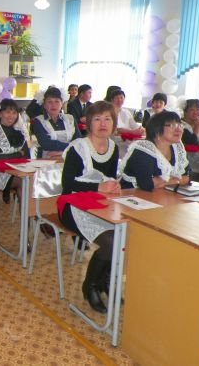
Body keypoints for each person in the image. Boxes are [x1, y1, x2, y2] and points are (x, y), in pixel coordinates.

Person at [60, 101, 121, 312]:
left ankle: (104, 280)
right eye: (97, 119)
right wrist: (99, 187)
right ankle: (90, 285)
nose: (103, 124)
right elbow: (67, 184)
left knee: (125, 235)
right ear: (89, 123)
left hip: (100, 204)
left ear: (114, 124)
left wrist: (112, 185)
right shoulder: (78, 147)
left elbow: (109, 177)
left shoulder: (113, 148)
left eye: (107, 119)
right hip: (72, 205)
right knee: (111, 241)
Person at [119, 111, 190, 191]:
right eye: (172, 125)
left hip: (161, 194)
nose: (179, 129)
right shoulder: (143, 149)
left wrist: (166, 181)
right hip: (131, 194)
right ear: (157, 129)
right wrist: (177, 180)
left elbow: (188, 177)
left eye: (180, 125)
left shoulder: (177, 148)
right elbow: (147, 184)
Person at [0, 99, 30, 204]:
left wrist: (13, 156)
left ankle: (28, 213)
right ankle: (27, 214)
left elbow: (27, 156)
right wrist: (18, 154)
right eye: (8, 112)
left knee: (31, 181)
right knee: (24, 182)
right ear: (0, 114)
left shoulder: (20, 132)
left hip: (18, 170)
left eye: (14, 112)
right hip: (0, 173)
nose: (11, 116)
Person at [31, 87, 80, 158]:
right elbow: (46, 144)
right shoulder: (38, 121)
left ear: (62, 103)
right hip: (46, 159)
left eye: (57, 101)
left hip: (70, 157)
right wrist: (72, 146)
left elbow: (78, 139)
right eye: (49, 102)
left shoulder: (70, 118)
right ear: (44, 105)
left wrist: (62, 152)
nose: (53, 105)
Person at [180, 98, 199, 182]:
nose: (196, 112)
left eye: (198, 109)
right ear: (185, 111)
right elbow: (193, 142)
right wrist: (197, 127)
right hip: (187, 155)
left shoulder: (198, 121)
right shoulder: (181, 125)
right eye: (192, 110)